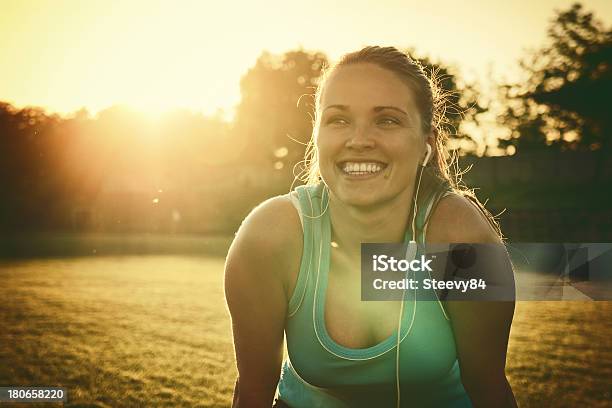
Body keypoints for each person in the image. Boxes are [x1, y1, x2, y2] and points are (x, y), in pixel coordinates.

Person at [224, 46, 517, 407]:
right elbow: (252, 393)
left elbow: (488, 389)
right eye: (338, 120)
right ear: (318, 136)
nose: (359, 140)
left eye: (387, 120)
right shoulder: (271, 237)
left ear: (426, 146)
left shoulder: (461, 240)